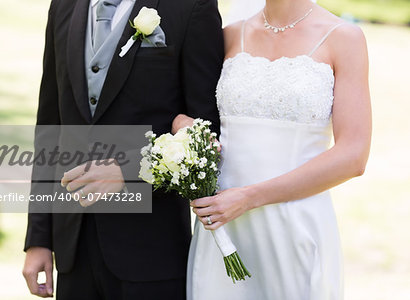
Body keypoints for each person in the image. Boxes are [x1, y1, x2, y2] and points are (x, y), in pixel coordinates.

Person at [22, 0, 223, 299]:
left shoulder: (191, 6)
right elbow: (50, 127)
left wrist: (129, 169)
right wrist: (39, 237)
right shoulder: (64, 5)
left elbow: (206, 133)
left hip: (150, 251)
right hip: (73, 249)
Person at [175, 0, 372, 299]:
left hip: (294, 228)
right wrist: (182, 126)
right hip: (223, 229)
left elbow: (353, 155)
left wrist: (249, 197)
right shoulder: (228, 35)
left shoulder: (344, 38)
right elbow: (183, 111)